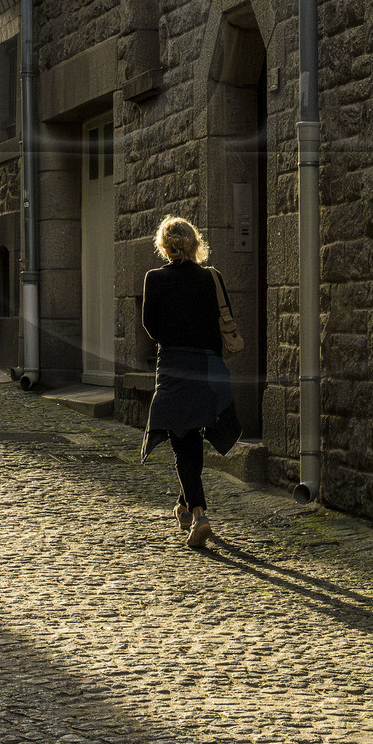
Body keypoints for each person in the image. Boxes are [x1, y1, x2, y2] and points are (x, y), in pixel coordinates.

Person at [140, 215, 240, 549]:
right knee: (192, 435)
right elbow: (222, 319)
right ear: (195, 243)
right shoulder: (212, 278)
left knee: (183, 438)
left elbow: (151, 326)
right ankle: (185, 507)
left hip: (174, 365)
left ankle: (199, 515)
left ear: (164, 247)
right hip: (209, 367)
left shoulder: (155, 278)